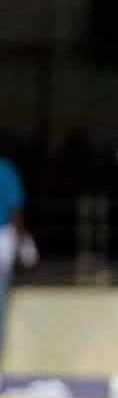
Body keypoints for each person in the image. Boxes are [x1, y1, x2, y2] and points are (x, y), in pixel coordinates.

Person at [0, 155, 31, 367]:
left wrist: (20, 242)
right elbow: (16, 210)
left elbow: (15, 209)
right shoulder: (5, 170)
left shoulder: (4, 170)